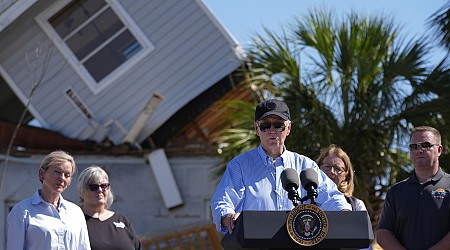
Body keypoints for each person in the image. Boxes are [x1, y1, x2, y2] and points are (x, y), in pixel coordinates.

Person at [210, 99, 351, 234]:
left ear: (288, 128)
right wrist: (228, 217)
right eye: (265, 126)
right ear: (256, 129)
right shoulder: (239, 165)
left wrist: (345, 214)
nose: (272, 131)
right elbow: (222, 201)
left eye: (278, 125)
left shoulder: (305, 165)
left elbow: (331, 196)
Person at [377, 126, 450, 249]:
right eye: (414, 146)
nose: (419, 150)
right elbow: (383, 233)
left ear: (439, 150)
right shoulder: (396, 192)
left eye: (426, 145)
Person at [6, 150, 91, 249]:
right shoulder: (22, 210)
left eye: (67, 175)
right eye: (57, 172)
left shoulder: (75, 212)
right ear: (42, 174)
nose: (62, 178)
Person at [77, 165, 142, 250]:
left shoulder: (122, 220)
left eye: (104, 186)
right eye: (93, 187)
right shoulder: (76, 221)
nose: (100, 190)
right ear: (82, 191)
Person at [316, 144, 367, 211]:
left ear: (345, 175)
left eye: (338, 169)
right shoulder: (306, 200)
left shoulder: (356, 205)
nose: (332, 171)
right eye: (327, 166)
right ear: (318, 168)